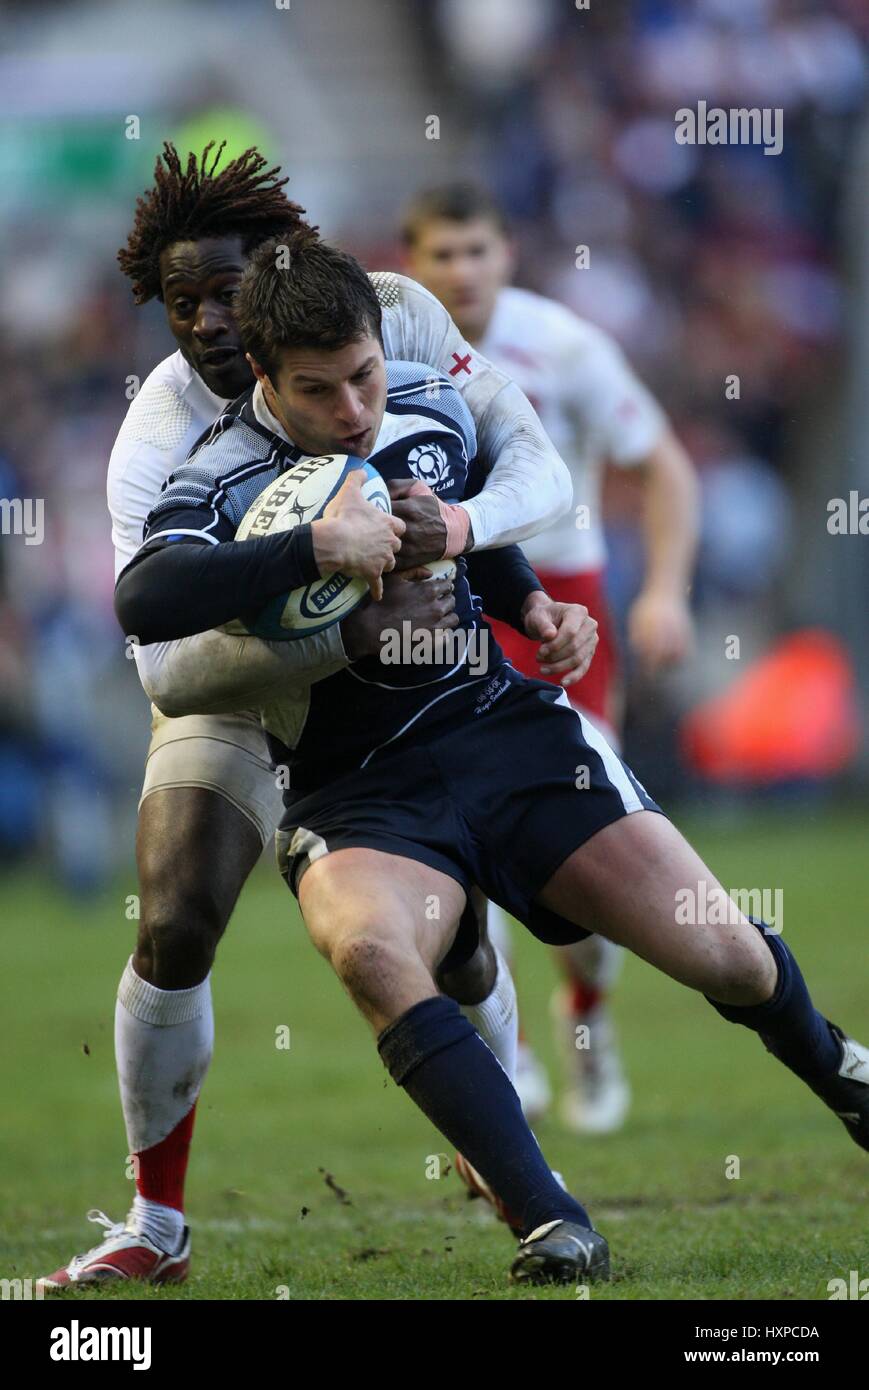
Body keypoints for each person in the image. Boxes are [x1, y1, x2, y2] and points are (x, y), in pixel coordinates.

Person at [112, 231, 868, 1287]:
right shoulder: (217, 469)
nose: (354, 410)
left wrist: (526, 600)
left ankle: (842, 1072)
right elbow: (143, 600)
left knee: (728, 956)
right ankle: (549, 1219)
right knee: (373, 953)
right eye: (318, 391)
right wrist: (304, 551)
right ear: (269, 383)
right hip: (357, 788)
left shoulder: (428, 400)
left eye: (364, 375)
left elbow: (500, 516)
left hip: (505, 740)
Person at [38, 145, 591, 1291]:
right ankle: (156, 1222)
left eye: (226, 291)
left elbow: (512, 461)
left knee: (458, 943)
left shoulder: (397, 317)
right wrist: (316, 608)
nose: (204, 320)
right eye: (179, 301)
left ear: (284, 270)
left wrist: (501, 571)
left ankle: (516, 1173)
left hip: (400, 680)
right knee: (176, 914)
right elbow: (163, 664)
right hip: (247, 684)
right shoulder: (158, 438)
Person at [402, 182, 700, 1133]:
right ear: (413, 262)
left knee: (584, 855)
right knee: (471, 846)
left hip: (561, 613)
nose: (460, 272)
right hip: (454, 611)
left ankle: (587, 1013)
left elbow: (663, 464)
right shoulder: (389, 355)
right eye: (442, 255)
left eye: (476, 251)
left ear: (508, 255)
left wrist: (663, 591)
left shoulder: (564, 346)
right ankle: (511, 1055)